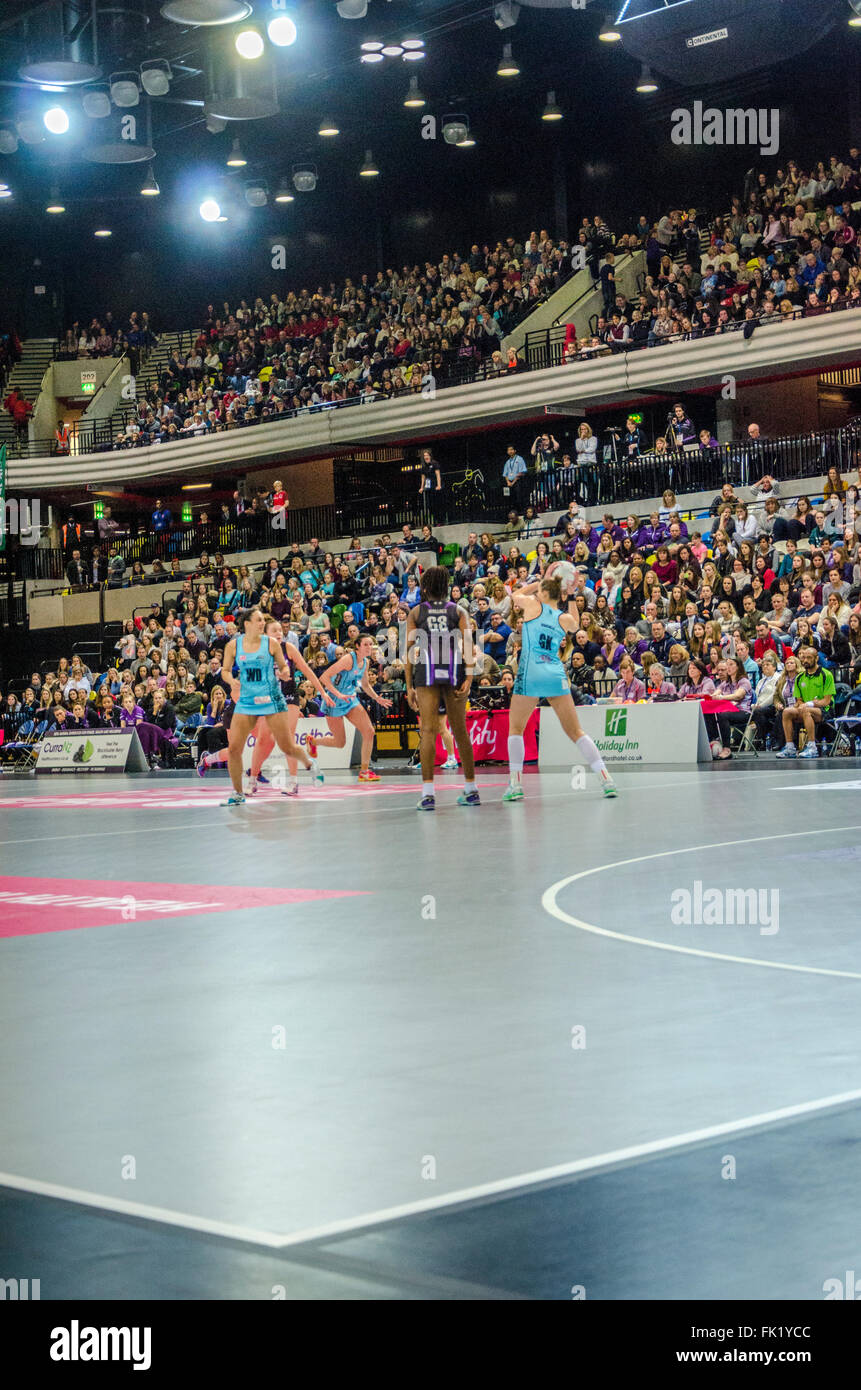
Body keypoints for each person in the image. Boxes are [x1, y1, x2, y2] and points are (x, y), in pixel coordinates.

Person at [504, 574, 617, 801]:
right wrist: (572, 592)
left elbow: (515, 595)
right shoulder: (563, 618)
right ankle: (606, 780)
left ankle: (515, 785)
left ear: (544, 593)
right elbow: (576, 623)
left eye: (540, 590)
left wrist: (539, 582)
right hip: (555, 673)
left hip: (531, 673)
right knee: (576, 731)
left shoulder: (532, 606)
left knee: (516, 729)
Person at [219, 606, 315, 806]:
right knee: (245, 746)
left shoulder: (278, 645)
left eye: (264, 621)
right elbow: (226, 671)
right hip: (251, 701)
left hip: (278, 699)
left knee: (286, 742)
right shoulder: (236, 646)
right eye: (260, 620)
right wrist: (232, 681)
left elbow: (294, 668)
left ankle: (301, 773)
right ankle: (244, 786)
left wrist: (286, 673)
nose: (264, 623)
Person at [404, 566, 478, 811]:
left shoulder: (416, 612)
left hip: (426, 670)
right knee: (460, 731)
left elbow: (408, 653)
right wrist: (468, 675)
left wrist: (408, 685)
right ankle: (471, 790)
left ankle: (428, 795)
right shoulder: (458, 610)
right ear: (447, 587)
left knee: (427, 731)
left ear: (424, 587)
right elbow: (468, 644)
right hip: (454, 668)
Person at [241, 616, 334, 796]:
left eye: (279, 630)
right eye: (274, 631)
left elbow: (308, 671)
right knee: (263, 740)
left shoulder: (288, 648)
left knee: (288, 738)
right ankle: (252, 780)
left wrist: (322, 692)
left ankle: (293, 782)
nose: (278, 633)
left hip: (290, 698)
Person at [311, 634, 391, 782]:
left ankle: (364, 771)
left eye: (371, 644)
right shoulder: (348, 659)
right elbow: (324, 678)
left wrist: (377, 698)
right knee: (340, 743)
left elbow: (365, 685)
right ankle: (314, 742)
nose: (369, 647)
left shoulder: (366, 662)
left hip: (350, 700)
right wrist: (338, 694)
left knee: (369, 731)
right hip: (333, 701)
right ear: (357, 646)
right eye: (366, 644)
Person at [776, 645, 835, 759]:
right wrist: (798, 706)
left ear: (816, 658)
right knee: (787, 711)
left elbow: (827, 701)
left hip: (825, 710)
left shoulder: (826, 675)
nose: (806, 660)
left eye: (809, 658)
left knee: (806, 710)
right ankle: (790, 748)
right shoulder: (800, 678)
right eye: (804, 658)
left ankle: (812, 748)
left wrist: (809, 704)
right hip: (805, 709)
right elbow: (799, 700)